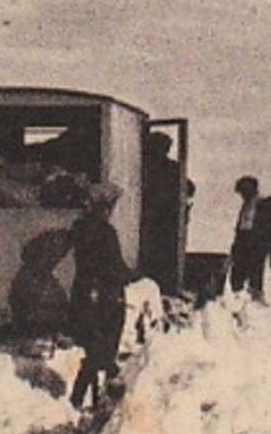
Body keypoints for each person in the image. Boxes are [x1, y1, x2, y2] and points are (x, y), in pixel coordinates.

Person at [66, 181, 132, 410]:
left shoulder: (80, 229)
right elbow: (114, 267)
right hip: (106, 297)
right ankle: (102, 400)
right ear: (104, 207)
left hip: (84, 295)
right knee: (103, 352)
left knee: (94, 350)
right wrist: (133, 276)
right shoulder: (105, 232)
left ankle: (82, 400)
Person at [141, 131, 195, 294]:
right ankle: (165, 289)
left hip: (154, 218)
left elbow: (190, 189)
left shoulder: (146, 166)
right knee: (165, 257)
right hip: (166, 219)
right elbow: (190, 189)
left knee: (152, 256)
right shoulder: (172, 168)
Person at [227, 175, 265, 300]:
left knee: (254, 274)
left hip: (254, 242)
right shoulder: (246, 204)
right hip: (243, 241)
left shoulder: (260, 204)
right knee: (237, 273)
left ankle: (254, 299)